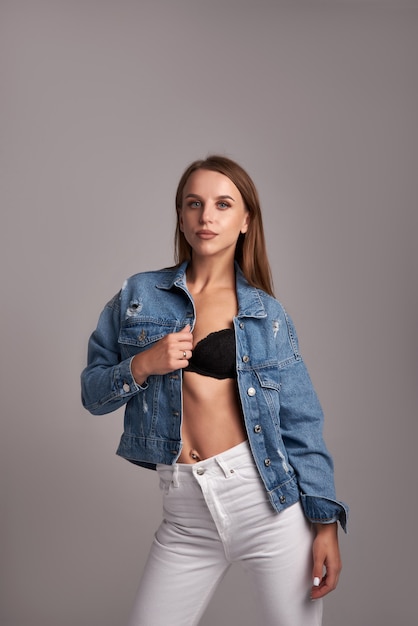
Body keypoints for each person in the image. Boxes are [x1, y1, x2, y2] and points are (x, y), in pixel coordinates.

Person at [81, 155, 348, 626]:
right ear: (181, 218)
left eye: (223, 204)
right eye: (194, 203)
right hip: (184, 513)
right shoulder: (138, 295)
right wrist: (144, 364)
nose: (207, 216)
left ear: (245, 220)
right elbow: (93, 392)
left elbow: (302, 421)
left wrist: (324, 522)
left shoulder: (267, 314)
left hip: (264, 504)